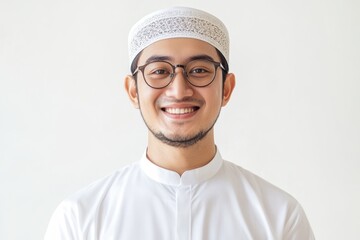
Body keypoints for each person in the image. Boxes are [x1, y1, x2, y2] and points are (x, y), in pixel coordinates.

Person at [44, 6, 315, 240]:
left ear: (226, 89)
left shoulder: (279, 217)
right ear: (134, 91)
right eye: (159, 71)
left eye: (199, 70)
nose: (179, 90)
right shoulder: (80, 219)